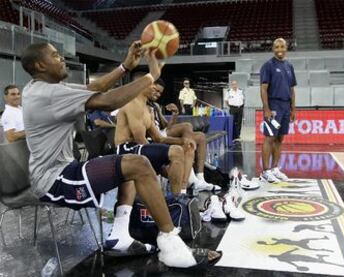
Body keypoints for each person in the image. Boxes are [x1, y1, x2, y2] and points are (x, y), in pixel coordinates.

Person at [21, 41, 221, 268]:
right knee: (138, 164)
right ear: (39, 65)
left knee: (128, 168)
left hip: (63, 169)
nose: (62, 58)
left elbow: (97, 88)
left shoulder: (44, 88)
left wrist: (126, 66)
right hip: (53, 179)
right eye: (55, 55)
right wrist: (151, 75)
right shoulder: (48, 93)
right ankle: (171, 246)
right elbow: (108, 101)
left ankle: (120, 236)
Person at [115, 83, 196, 196]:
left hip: (140, 147)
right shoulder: (133, 104)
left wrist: (183, 141)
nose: (156, 92)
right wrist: (158, 156)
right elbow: (139, 139)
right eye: (153, 88)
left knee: (177, 161)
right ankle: (177, 199)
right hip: (127, 148)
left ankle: (183, 190)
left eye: (158, 91)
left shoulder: (148, 110)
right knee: (176, 151)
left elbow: (158, 138)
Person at [149, 79, 220, 192]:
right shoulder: (142, 106)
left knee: (200, 137)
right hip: (154, 139)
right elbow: (157, 136)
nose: (157, 94)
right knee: (186, 128)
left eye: (159, 93)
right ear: (149, 87)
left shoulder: (156, 105)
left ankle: (199, 178)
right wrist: (183, 141)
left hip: (162, 132)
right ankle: (188, 183)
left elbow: (166, 126)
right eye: (155, 91)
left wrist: (175, 115)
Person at [259, 38, 296, 183]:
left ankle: (275, 168)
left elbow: (292, 89)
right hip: (273, 106)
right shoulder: (268, 65)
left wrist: (293, 109)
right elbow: (263, 89)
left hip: (286, 107)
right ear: (273, 49)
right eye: (276, 47)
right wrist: (266, 108)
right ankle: (265, 171)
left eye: (282, 46)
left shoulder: (289, 66)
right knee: (270, 137)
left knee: (280, 138)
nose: (279, 49)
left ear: (286, 48)